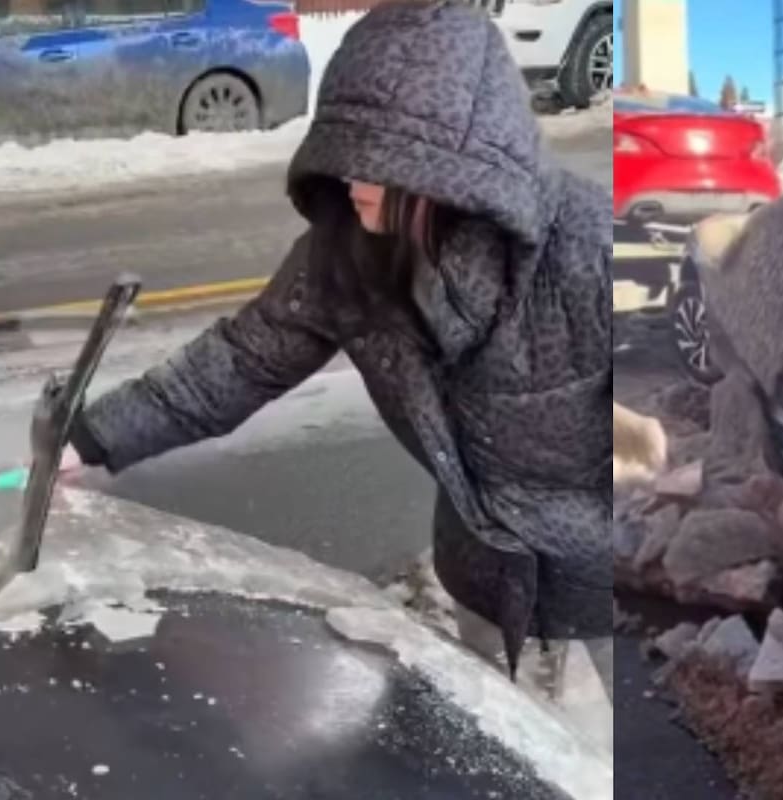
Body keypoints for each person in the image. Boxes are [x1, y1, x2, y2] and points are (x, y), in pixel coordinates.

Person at [61, 0, 613, 688]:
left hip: (609, 598)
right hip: (483, 586)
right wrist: (89, 437)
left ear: (454, 170)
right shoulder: (347, 260)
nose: (353, 183)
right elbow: (241, 360)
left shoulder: (588, 247)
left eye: (378, 161)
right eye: (346, 156)